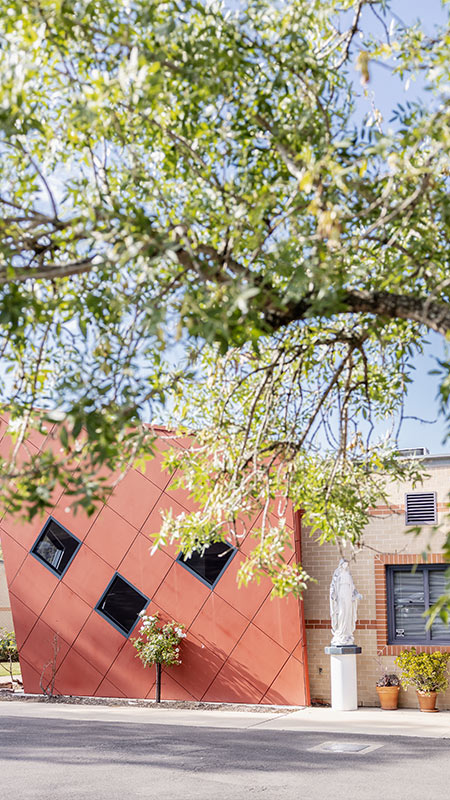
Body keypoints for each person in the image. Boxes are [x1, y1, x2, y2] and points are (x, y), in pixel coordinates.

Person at [329, 559, 362, 646]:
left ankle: (347, 632)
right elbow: (333, 585)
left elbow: (353, 587)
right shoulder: (337, 574)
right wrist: (332, 594)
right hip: (340, 594)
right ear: (341, 565)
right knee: (341, 612)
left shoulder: (348, 575)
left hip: (348, 594)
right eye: (344, 564)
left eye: (347, 565)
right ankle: (340, 631)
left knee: (348, 612)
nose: (345, 566)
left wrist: (357, 594)